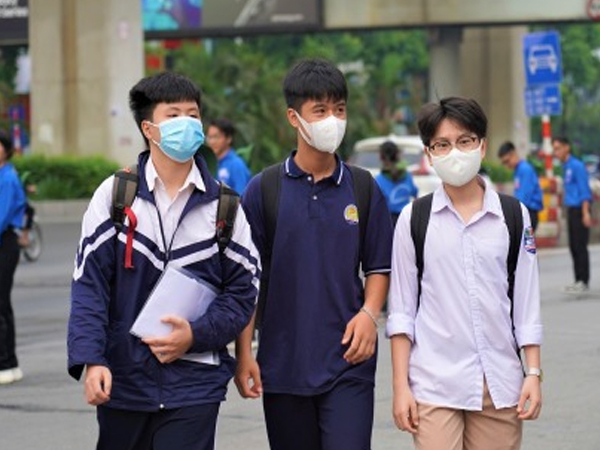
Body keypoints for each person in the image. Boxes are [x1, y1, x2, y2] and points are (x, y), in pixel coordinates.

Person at [67, 72, 260, 450]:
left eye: (193, 114)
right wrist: (92, 359)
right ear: (149, 128)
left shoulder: (225, 206)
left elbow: (243, 292)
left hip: (195, 387)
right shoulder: (115, 196)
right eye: (173, 115)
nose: (186, 123)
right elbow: (89, 286)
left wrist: (196, 335)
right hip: (124, 383)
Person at [234, 58, 393, 450]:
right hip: (283, 364)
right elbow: (246, 280)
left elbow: (379, 265)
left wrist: (369, 314)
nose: (332, 120)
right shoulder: (264, 190)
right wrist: (243, 353)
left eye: (339, 109)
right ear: (294, 117)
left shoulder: (363, 188)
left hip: (349, 362)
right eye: (320, 110)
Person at [387, 97, 543, 450]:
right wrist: (400, 388)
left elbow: (526, 302)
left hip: (499, 384)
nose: (454, 152)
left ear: (482, 146)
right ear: (429, 155)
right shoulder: (414, 219)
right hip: (434, 384)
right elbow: (401, 312)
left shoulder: (512, 216)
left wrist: (533, 373)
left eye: (465, 141)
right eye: (442, 144)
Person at [0, 130, 26, 385]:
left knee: (1, 303)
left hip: (5, 242)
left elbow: (2, 216)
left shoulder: (7, 177)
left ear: (6, 150)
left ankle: (6, 363)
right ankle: (8, 362)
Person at [552, 136, 593, 294]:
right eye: (554, 149)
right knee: (573, 246)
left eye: (558, 148)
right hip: (571, 209)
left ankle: (584, 280)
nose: (556, 152)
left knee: (580, 246)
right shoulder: (566, 166)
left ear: (566, 147)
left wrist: (585, 213)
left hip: (580, 209)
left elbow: (584, 191)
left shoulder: (577, 166)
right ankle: (577, 279)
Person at [498, 141, 543, 231]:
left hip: (529, 213)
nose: (507, 165)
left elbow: (524, 197)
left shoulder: (525, 169)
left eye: (507, 161)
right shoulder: (518, 170)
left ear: (513, 153)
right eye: (504, 163)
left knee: (526, 240)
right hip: (524, 212)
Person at [375, 140, 419, 227]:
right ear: (397, 155)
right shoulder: (407, 175)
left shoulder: (379, 180)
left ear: (381, 157)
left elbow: (376, 206)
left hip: (388, 221)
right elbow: (415, 194)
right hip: (406, 219)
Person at [206, 118, 251, 194]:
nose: (212, 142)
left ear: (228, 139)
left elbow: (242, 197)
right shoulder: (207, 164)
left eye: (216, 137)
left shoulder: (237, 165)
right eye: (209, 137)